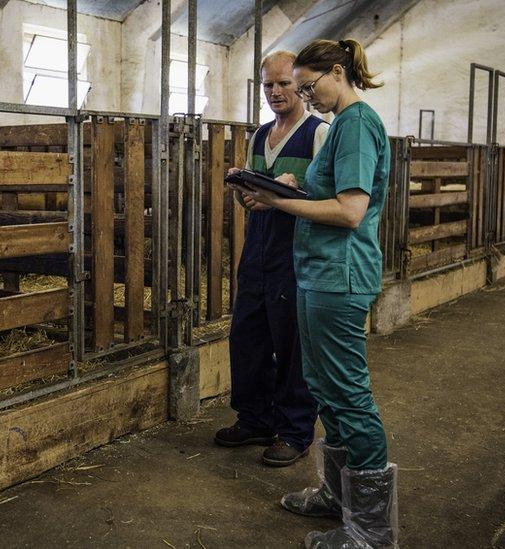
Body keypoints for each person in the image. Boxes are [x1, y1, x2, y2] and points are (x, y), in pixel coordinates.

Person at [229, 38, 398, 548]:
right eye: (292, 86)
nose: (306, 95)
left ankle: (370, 532)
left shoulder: (356, 124)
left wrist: (280, 204)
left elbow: (349, 212)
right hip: (318, 271)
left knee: (348, 395)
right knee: (325, 388)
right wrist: (284, 189)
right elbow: (329, 198)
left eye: (307, 86)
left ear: (338, 71)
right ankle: (339, 495)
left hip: (339, 275)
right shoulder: (345, 124)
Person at [214, 50, 329, 467]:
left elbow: (330, 191)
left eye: (284, 83)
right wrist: (245, 192)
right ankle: (255, 417)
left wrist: (291, 188)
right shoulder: (260, 135)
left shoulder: (320, 132)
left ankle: (294, 431)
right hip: (258, 249)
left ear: (300, 84)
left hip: (296, 251)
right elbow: (255, 197)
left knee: (292, 341)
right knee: (248, 335)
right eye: (268, 85)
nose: (276, 92)